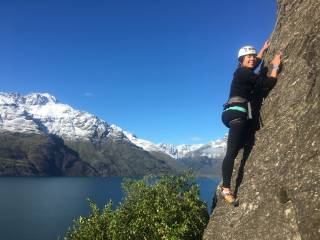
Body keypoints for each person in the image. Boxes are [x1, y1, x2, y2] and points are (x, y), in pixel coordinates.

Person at [220, 40, 281, 204]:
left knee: (239, 146)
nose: (252, 59)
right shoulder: (245, 73)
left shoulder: (240, 72)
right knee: (232, 152)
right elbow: (268, 83)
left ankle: (225, 186)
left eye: (253, 56)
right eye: (248, 57)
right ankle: (226, 189)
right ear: (241, 60)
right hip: (238, 114)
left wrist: (262, 50)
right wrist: (275, 66)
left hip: (232, 113)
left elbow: (254, 63)